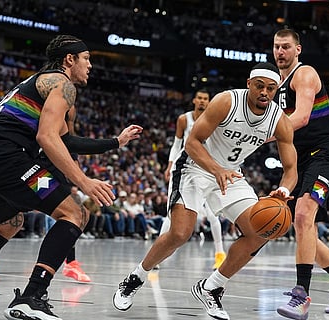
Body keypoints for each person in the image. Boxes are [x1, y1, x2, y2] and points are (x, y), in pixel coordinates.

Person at [113, 62, 298, 320]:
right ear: (249, 84)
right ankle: (136, 277)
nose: (264, 92)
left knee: (259, 233)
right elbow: (191, 143)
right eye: (259, 86)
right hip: (194, 167)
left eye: (270, 88)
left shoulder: (279, 121)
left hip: (230, 173)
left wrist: (283, 189)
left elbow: (291, 168)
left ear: (276, 89)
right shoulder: (227, 102)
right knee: (180, 233)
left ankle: (211, 287)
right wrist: (215, 169)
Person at [0, 34, 124, 320]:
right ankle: (32, 297)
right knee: (75, 214)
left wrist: (115, 142)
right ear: (70, 59)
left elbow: (67, 141)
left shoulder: (40, 83)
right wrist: (84, 181)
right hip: (5, 157)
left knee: (12, 222)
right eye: (87, 59)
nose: (90, 66)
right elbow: (47, 137)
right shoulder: (62, 84)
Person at [0, 99, 142, 285]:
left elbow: (68, 140)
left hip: (44, 163)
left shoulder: (67, 105)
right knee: (14, 222)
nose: (89, 67)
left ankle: (65, 266)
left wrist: (80, 170)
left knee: (69, 212)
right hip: (17, 162)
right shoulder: (32, 97)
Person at [272, 28, 329, 319]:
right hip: (301, 161)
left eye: (286, 46)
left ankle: (301, 295)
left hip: (323, 155)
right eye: (276, 46)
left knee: (302, 216)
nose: (280, 52)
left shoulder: (305, 74)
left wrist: (262, 134)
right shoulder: (276, 84)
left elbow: (300, 117)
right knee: (304, 228)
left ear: (298, 50)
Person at [162, 89, 226, 270]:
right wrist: (169, 165)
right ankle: (157, 252)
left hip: (206, 170)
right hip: (185, 169)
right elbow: (176, 145)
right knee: (172, 211)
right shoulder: (184, 119)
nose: (202, 101)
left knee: (214, 214)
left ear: (209, 101)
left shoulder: (214, 118)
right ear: (194, 100)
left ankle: (220, 254)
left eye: (206, 99)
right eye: (200, 98)